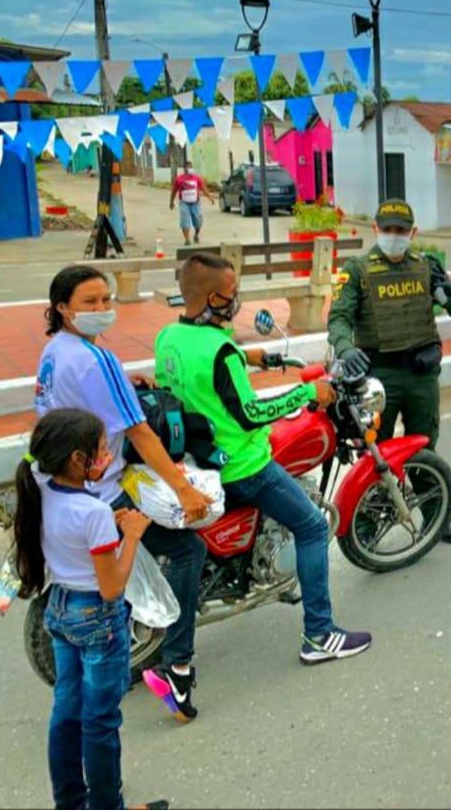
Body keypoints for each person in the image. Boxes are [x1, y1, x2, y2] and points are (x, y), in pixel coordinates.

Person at [155, 253, 372, 663]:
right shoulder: (221, 351)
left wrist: (257, 358)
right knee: (311, 525)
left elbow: (203, 382)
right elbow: (250, 413)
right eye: (232, 294)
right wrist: (308, 393)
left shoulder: (169, 337)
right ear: (212, 297)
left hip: (198, 456)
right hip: (242, 465)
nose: (236, 302)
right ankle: (319, 635)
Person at [35, 265, 213, 722]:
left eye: (106, 301)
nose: (102, 310)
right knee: (189, 548)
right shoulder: (97, 360)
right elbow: (139, 432)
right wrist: (184, 488)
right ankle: (177, 666)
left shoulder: (57, 351)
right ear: (63, 308)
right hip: (100, 488)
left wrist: (123, 384)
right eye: (89, 302)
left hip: (56, 480)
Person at [13, 408, 170, 810]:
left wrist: (108, 530)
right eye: (101, 451)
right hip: (97, 620)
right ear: (77, 459)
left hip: (61, 609)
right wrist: (131, 534)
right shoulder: (94, 513)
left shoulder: (40, 487)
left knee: (66, 712)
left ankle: (70, 802)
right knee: (100, 722)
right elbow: (113, 586)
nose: (106, 458)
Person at [327, 198, 451, 543]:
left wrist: (447, 290)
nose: (395, 235)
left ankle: (436, 519)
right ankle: (365, 527)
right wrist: (346, 349)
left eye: (402, 230)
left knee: (424, 449)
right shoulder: (357, 271)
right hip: (378, 378)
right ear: (376, 229)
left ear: (413, 232)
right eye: (388, 229)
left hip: (421, 375)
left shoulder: (426, 267)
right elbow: (339, 318)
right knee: (375, 456)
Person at [169, 160, 216, 246]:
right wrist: (171, 202)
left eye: (191, 167)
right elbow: (174, 191)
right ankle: (187, 239)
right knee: (185, 221)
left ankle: (196, 235)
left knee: (198, 221)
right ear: (184, 169)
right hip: (184, 203)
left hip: (195, 203)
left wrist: (210, 197)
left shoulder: (197, 178)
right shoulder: (179, 179)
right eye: (188, 167)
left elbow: (203, 188)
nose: (190, 168)